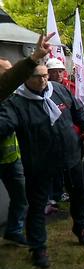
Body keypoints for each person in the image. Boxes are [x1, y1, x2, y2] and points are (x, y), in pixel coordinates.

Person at [0, 64, 84, 268]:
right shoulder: (16, 102)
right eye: (38, 77)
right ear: (26, 78)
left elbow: (77, 109)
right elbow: (4, 125)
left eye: (45, 75)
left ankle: (81, 228)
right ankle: (38, 247)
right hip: (40, 163)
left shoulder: (58, 89)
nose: (44, 80)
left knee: (78, 195)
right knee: (37, 206)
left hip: (70, 155)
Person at [0, 58, 28, 246]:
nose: (13, 74)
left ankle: (14, 230)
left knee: (21, 197)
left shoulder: (14, 97)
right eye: (8, 71)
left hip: (11, 158)